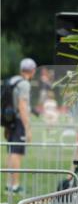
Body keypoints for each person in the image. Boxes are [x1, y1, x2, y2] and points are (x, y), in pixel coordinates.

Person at [4, 59, 36, 193]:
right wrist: (27, 128)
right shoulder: (24, 84)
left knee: (11, 152)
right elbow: (22, 106)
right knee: (16, 153)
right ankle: (15, 186)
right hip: (18, 122)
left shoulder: (13, 80)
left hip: (10, 121)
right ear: (32, 70)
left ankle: (9, 184)